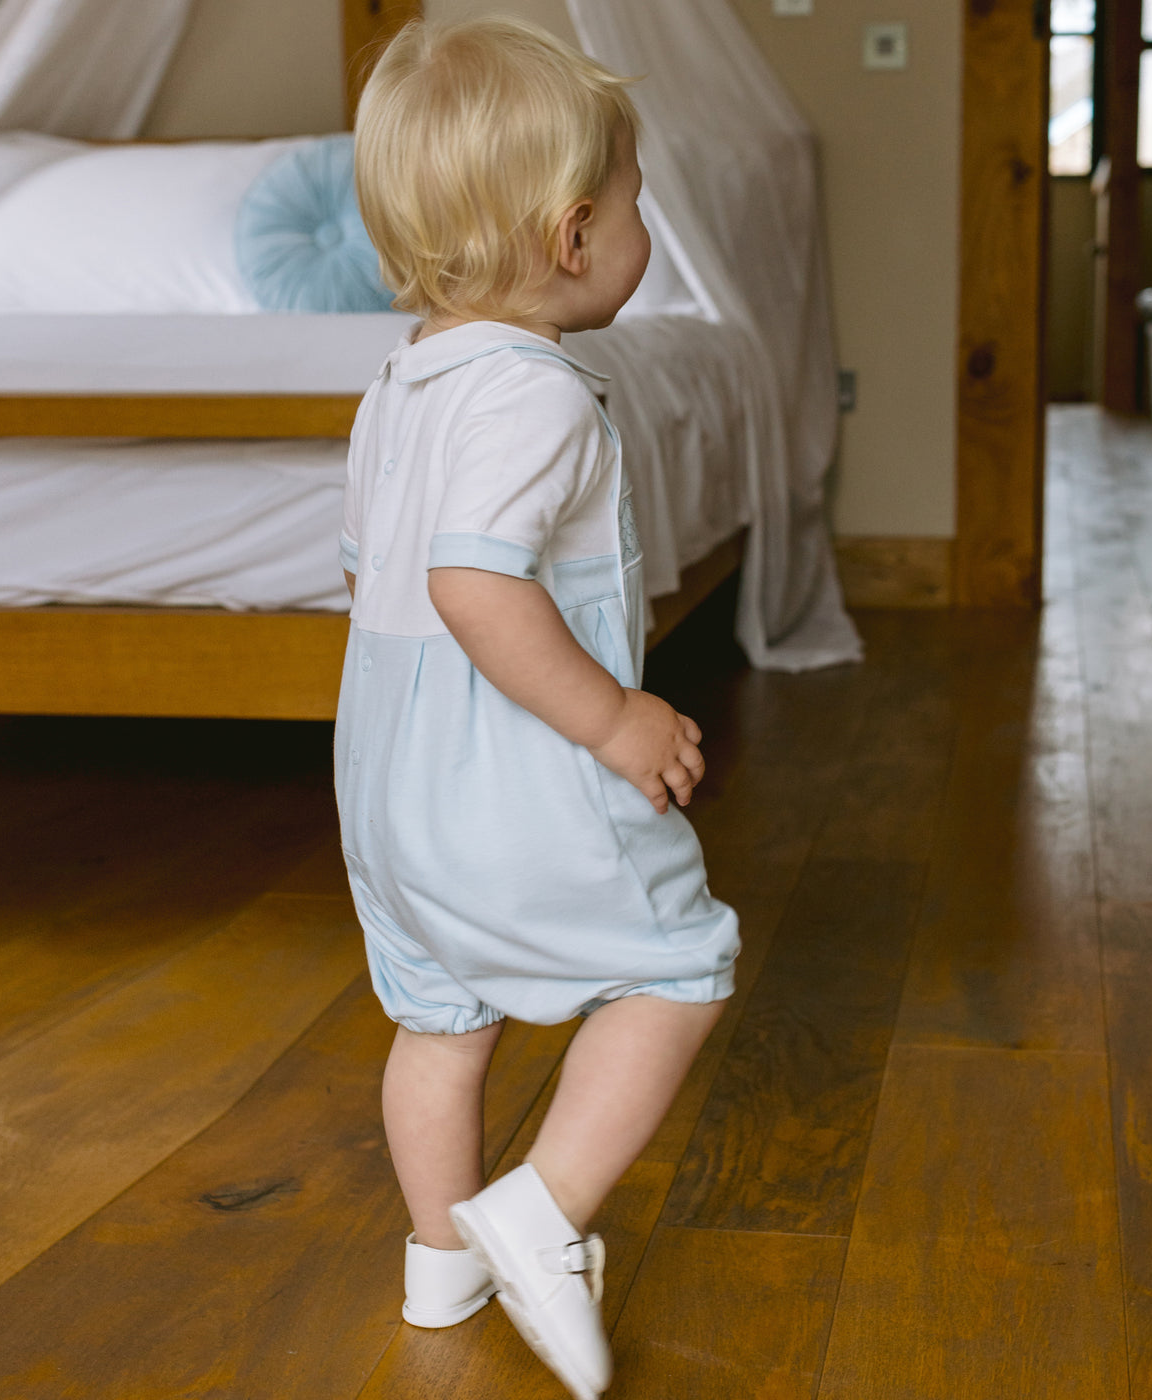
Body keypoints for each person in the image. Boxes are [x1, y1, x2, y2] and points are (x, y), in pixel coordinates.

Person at [335, 19, 740, 1400]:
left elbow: (376, 577)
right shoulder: (536, 396)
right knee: (679, 968)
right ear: (573, 236)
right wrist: (617, 717)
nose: (640, 229)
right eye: (633, 205)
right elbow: (473, 584)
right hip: (504, 770)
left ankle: (441, 1262)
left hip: (387, 778)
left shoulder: (398, 388)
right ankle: (542, 1208)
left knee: (441, 1015)